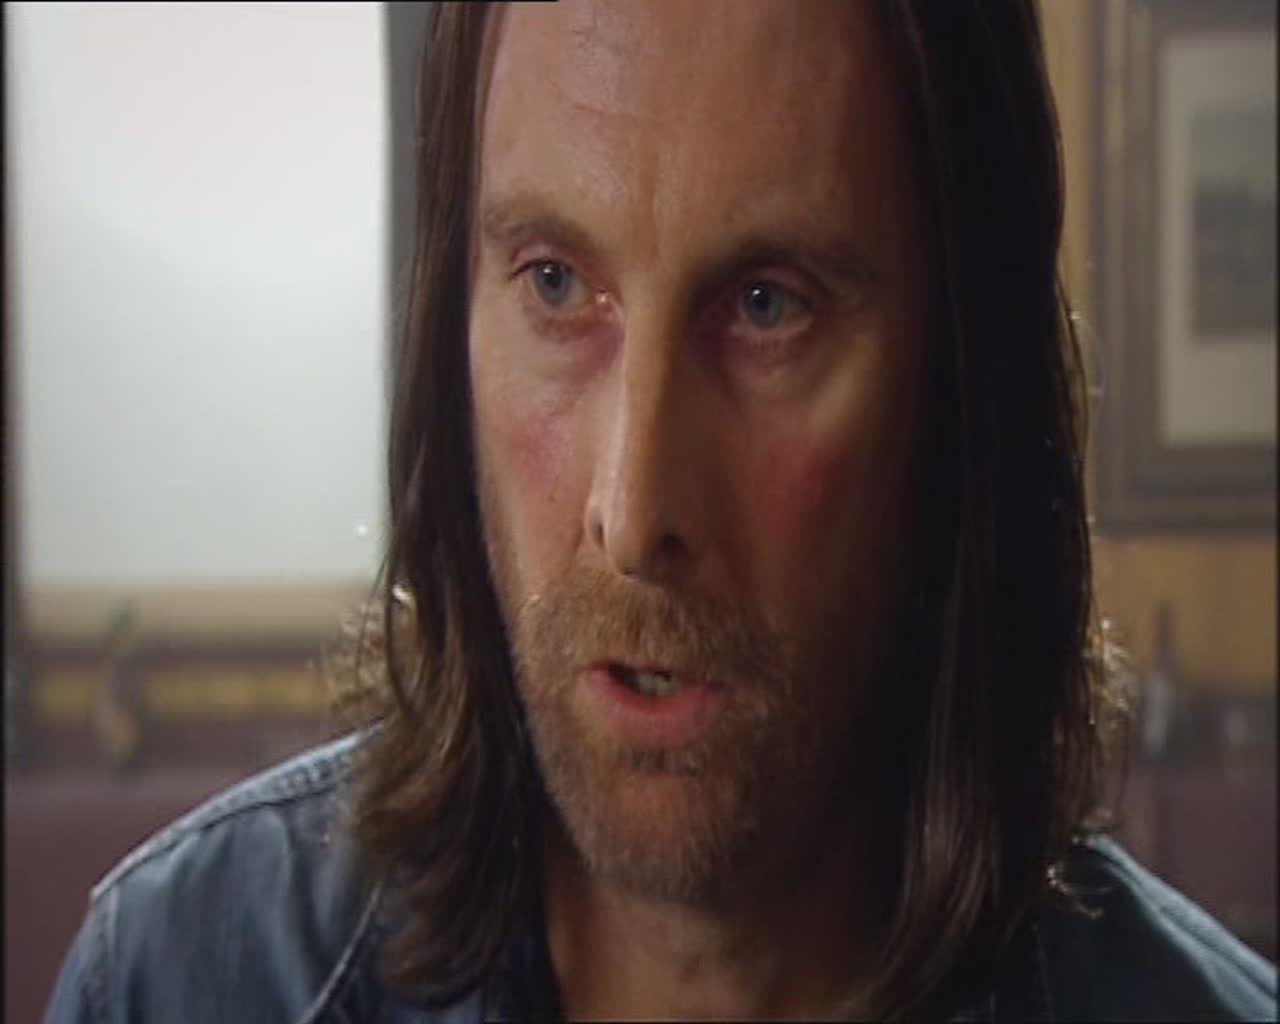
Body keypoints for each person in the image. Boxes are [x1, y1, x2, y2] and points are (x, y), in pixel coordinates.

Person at [45, 2, 1277, 1021]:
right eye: (554, 284)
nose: (632, 513)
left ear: (960, 384)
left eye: (765, 307)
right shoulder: (179, 980)